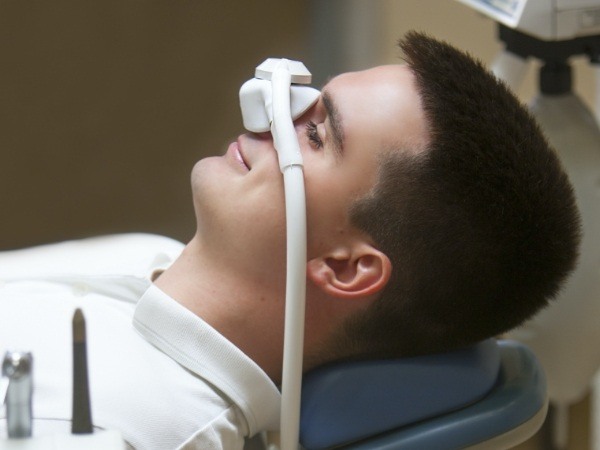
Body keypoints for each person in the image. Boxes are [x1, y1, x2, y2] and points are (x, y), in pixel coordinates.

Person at [0, 31, 580, 449]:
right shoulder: (144, 255)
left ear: (346, 267)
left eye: (317, 132)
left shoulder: (134, 432)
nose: (268, 112)